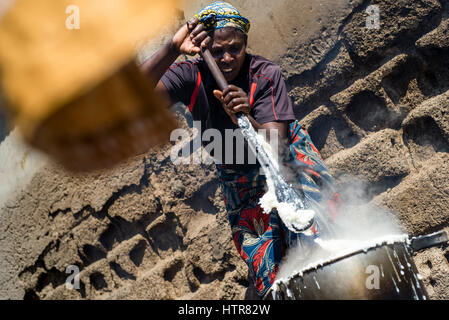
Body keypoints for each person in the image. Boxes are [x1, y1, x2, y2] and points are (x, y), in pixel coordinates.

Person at [141, 1, 341, 299]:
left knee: (318, 233)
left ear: (245, 44)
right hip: (239, 173)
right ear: (204, 49)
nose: (227, 58)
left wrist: (246, 116)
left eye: (235, 48)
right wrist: (171, 48)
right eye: (218, 51)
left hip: (286, 159)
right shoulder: (191, 74)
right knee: (267, 264)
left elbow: (275, 144)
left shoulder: (264, 73)